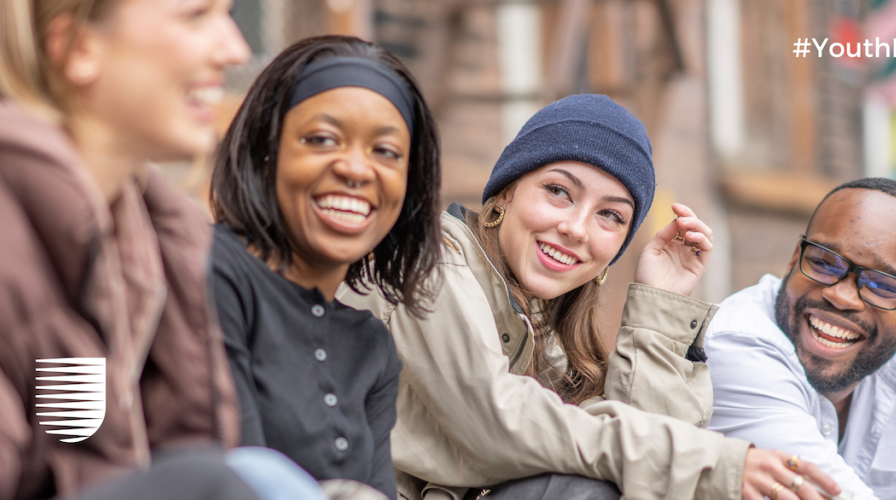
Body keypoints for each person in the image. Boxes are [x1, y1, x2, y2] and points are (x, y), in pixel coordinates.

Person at [339, 94, 840, 500]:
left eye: (611, 216)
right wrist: (715, 464)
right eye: (558, 190)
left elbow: (646, 484)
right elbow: (499, 424)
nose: (576, 228)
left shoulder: (542, 333)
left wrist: (657, 308)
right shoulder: (430, 262)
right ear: (507, 192)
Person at [0, 0, 329, 499]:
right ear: (77, 47)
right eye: (195, 14)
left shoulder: (144, 240)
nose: (232, 49)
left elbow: (75, 449)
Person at [209, 35, 442, 500]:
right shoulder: (213, 271)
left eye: (386, 152)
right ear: (266, 151)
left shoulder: (371, 346)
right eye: (321, 139)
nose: (356, 169)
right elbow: (238, 477)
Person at [705, 178, 896, 500]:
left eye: (883, 285)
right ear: (793, 260)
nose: (841, 296)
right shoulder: (737, 345)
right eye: (824, 263)